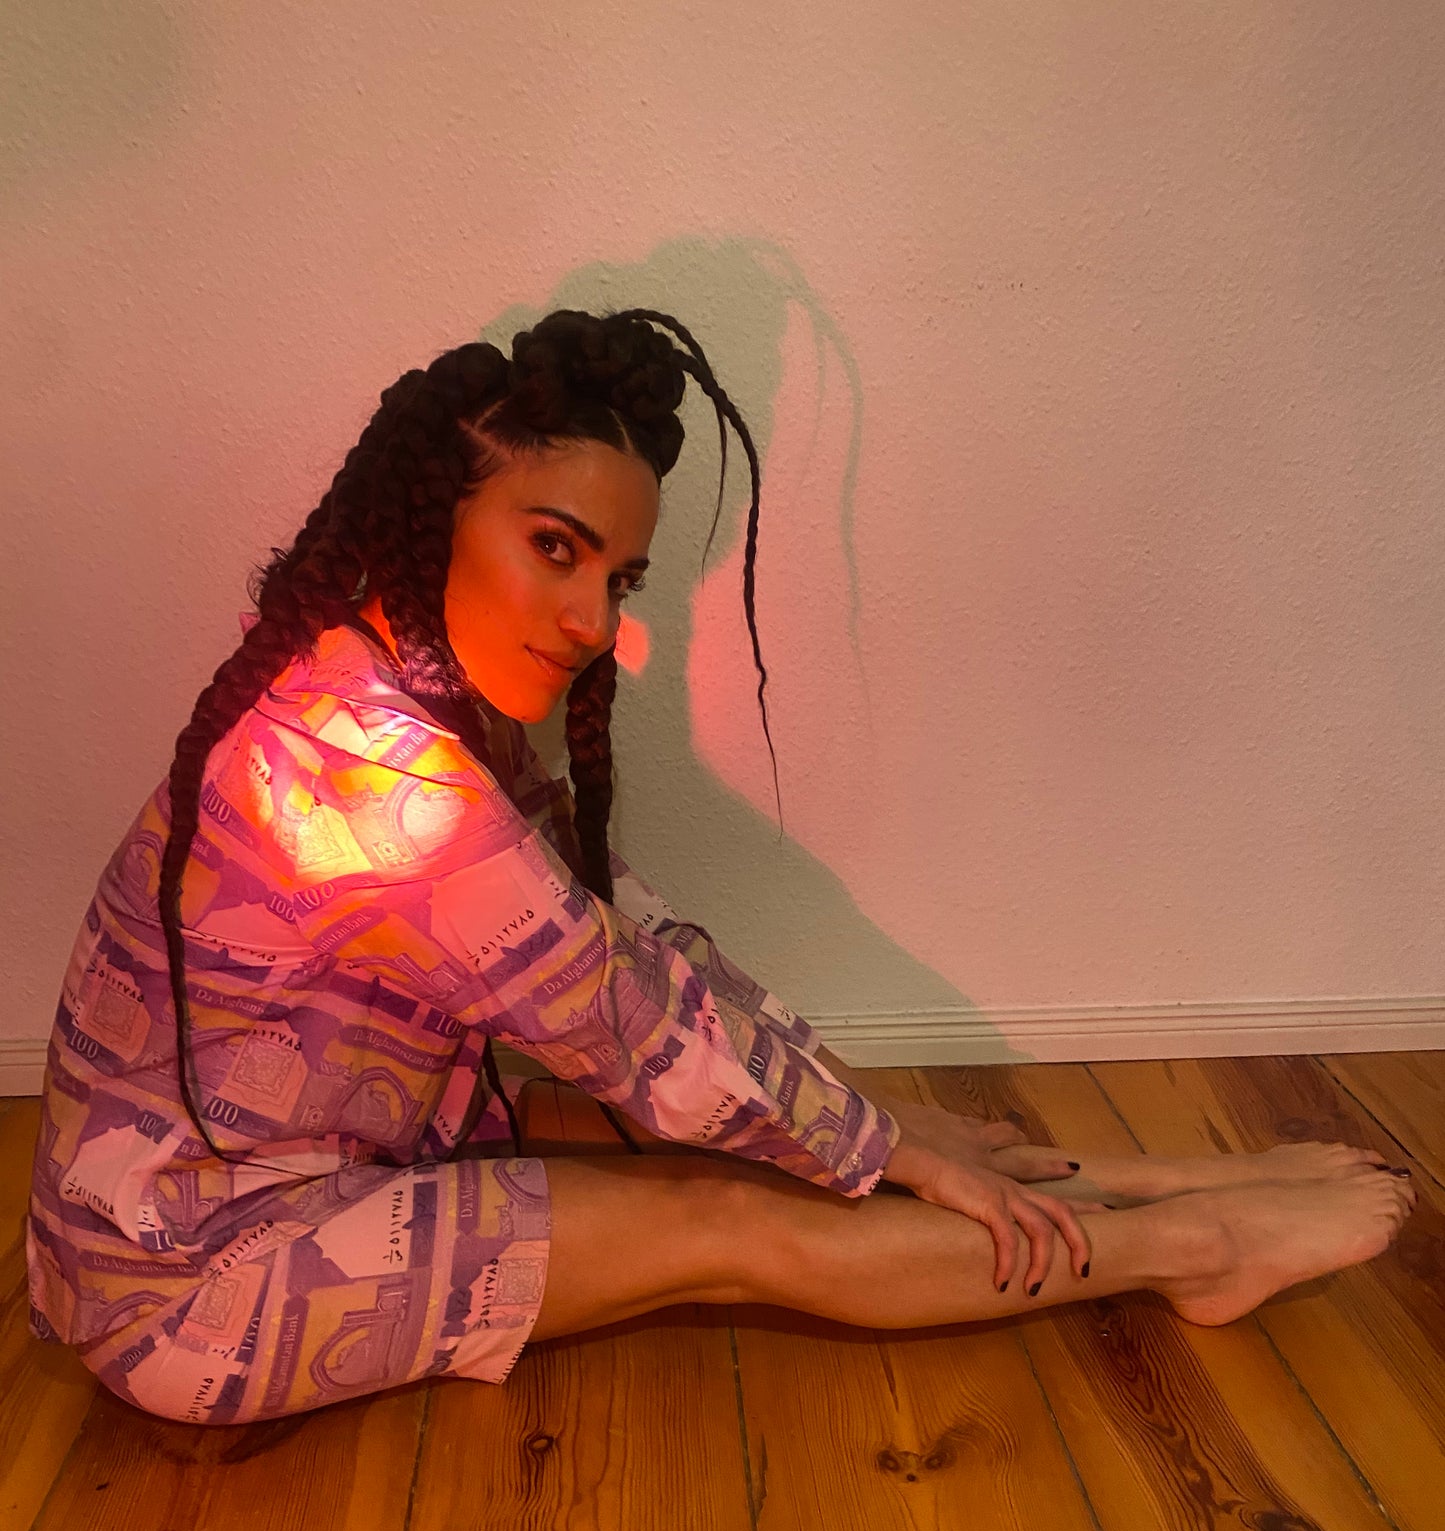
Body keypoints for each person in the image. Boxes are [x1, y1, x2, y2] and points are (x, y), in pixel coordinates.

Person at [25, 309, 1416, 1427]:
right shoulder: (380, 784)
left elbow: (626, 938)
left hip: (286, 1167)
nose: (591, 621)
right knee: (725, 1216)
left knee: (791, 1144)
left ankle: (1162, 1185)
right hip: (184, 1282)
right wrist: (876, 1139)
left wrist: (880, 1124)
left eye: (619, 578)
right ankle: (1195, 1250)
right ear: (427, 512)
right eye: (553, 548)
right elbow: (631, 1036)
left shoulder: (394, 686)